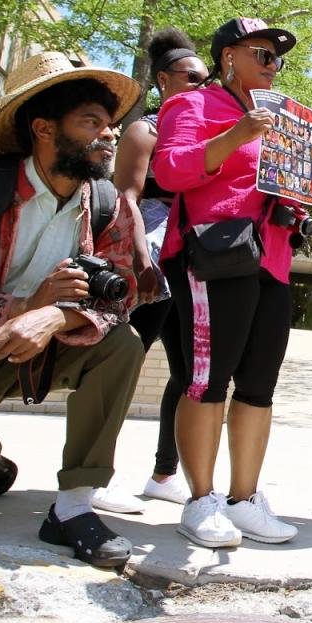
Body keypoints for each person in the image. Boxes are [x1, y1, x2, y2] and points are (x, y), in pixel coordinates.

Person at [0, 51, 145, 568]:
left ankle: (72, 507)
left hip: (52, 347)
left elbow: (122, 292)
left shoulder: (107, 206)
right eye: (91, 122)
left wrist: (54, 316)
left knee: (121, 346)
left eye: (111, 125)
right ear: (43, 127)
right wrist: (21, 308)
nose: (109, 135)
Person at [153, 17, 302, 548]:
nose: (271, 65)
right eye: (261, 53)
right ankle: (201, 500)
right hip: (213, 254)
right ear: (227, 58)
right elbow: (170, 172)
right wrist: (235, 135)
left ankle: (244, 499)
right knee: (207, 379)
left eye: (276, 58)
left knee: (260, 385)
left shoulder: (284, 121)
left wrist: (304, 193)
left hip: (272, 260)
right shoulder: (189, 106)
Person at [98, 29, 207, 510]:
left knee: (187, 375)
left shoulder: (202, 135)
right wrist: (142, 261)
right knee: (121, 365)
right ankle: (95, 475)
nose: (201, 86)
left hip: (186, 265)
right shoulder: (147, 130)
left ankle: (164, 474)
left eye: (207, 79)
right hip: (148, 267)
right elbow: (127, 199)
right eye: (192, 77)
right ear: (164, 79)